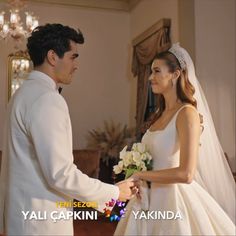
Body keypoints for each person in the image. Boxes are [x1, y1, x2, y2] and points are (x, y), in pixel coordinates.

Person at [0, 23, 138, 235]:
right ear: (53, 57)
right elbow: (60, 174)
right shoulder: (47, 99)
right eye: (73, 57)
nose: (76, 65)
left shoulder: (21, 94)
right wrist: (113, 192)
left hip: (21, 217)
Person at [114, 43, 235, 235]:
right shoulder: (158, 114)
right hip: (147, 199)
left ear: (176, 74)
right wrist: (135, 171)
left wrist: (140, 175)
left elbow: (186, 174)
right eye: (150, 72)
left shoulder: (187, 113)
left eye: (156, 71)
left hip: (173, 202)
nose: (151, 78)